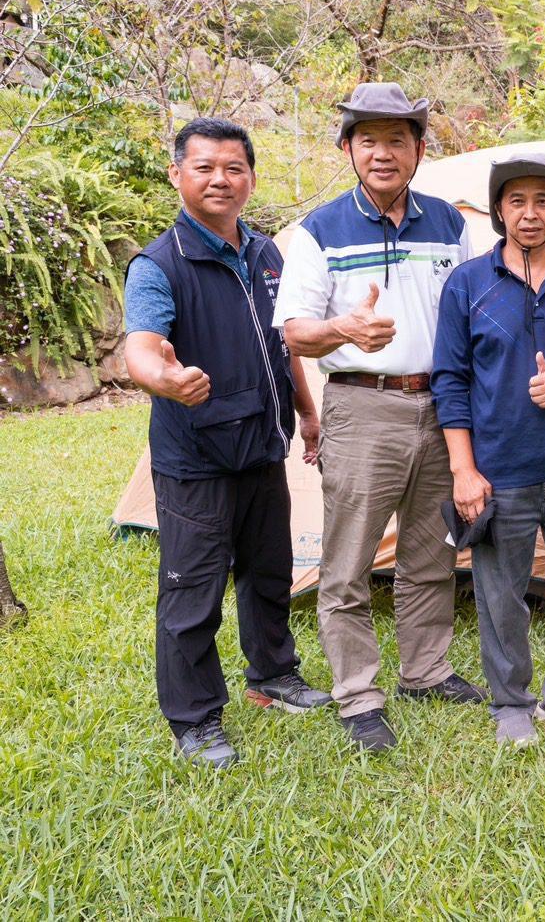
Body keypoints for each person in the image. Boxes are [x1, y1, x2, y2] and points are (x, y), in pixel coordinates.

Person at [272, 83, 485, 753]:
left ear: (420, 149)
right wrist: (343, 328)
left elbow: (470, 315)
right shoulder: (318, 231)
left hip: (440, 405)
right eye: (369, 139)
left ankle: (425, 669)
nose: (383, 152)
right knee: (349, 563)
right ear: (348, 148)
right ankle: (359, 694)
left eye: (398, 138)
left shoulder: (450, 225)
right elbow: (295, 333)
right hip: (361, 405)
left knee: (430, 552)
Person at [123, 117, 332, 768]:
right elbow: (142, 349)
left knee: (269, 573)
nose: (221, 178)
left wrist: (307, 409)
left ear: (249, 177)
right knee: (193, 593)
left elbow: (286, 342)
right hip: (198, 464)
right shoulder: (159, 265)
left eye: (233, 167)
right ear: (177, 173)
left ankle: (273, 673)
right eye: (206, 166)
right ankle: (194, 719)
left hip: (264, 450)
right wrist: (167, 377)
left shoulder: (268, 254)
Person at [431, 152, 545, 746]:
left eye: (543, 201)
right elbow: (450, 379)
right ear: (499, 211)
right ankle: (510, 701)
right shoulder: (467, 284)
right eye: (517, 202)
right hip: (496, 470)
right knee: (500, 592)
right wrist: (463, 468)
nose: (529, 214)